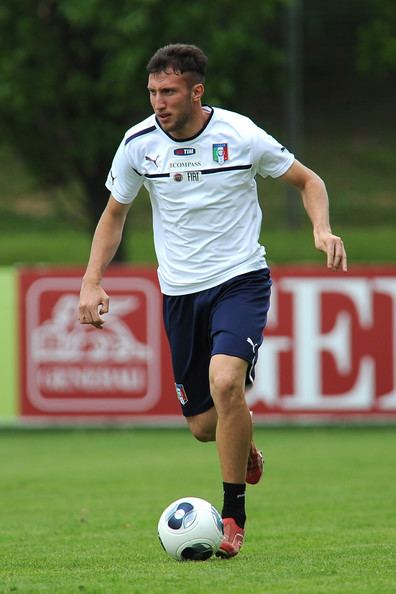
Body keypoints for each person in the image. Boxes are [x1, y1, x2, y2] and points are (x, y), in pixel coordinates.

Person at [78, 43, 347, 558]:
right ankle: (242, 448)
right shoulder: (137, 145)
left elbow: (307, 180)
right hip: (179, 292)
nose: (159, 102)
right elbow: (114, 215)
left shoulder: (240, 135)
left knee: (226, 381)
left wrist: (322, 229)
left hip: (240, 280)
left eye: (170, 92)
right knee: (205, 426)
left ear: (196, 92)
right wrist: (92, 279)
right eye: (153, 92)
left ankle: (233, 517)